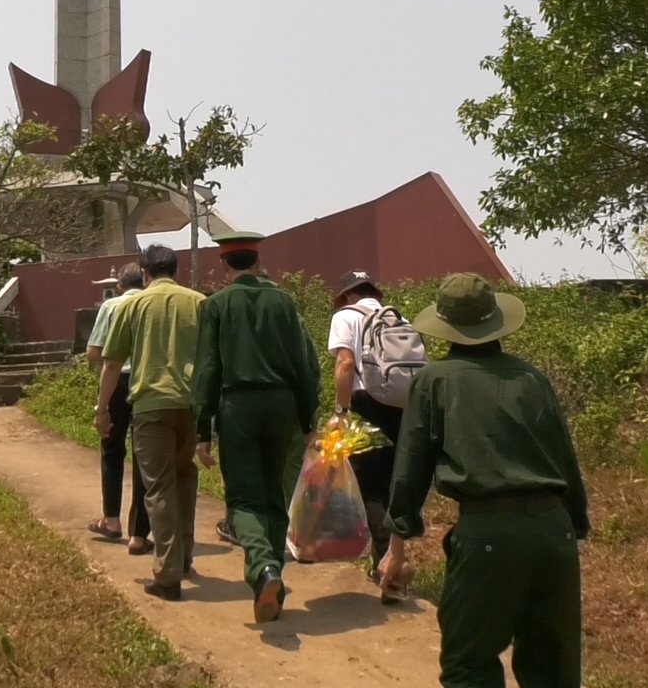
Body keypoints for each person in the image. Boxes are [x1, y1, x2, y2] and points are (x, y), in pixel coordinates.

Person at [381, 273, 591, 688]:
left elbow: (410, 468)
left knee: (469, 665)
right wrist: (574, 525)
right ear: (495, 320)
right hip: (554, 533)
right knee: (553, 671)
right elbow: (565, 459)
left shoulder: (435, 381)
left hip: (489, 534)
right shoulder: (531, 378)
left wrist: (396, 548)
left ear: (445, 326)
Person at [192, 230, 321, 623]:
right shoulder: (284, 302)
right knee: (273, 494)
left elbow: (208, 370)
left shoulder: (215, 306)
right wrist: (308, 418)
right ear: (258, 261)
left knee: (245, 499)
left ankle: (263, 568)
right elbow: (304, 365)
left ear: (224, 264)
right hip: (282, 405)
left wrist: (202, 429)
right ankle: (274, 578)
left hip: (239, 407)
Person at [96, 244, 205, 601]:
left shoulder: (133, 304)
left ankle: (168, 574)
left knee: (157, 488)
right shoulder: (199, 302)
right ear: (175, 269)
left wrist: (102, 409)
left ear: (144, 272)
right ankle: (185, 557)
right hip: (190, 405)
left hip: (151, 406)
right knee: (185, 478)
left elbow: (112, 363)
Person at [327, 269, 412, 602]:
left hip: (368, 405)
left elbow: (346, 364)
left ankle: (387, 568)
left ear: (347, 295)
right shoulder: (396, 316)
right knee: (393, 485)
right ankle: (395, 556)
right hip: (403, 407)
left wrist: (340, 412)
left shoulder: (345, 317)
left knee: (369, 489)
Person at [84, 263, 151, 554]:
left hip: (117, 383)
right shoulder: (151, 304)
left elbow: (94, 352)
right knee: (143, 456)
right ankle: (139, 533)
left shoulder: (112, 305)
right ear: (146, 281)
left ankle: (111, 519)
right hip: (148, 383)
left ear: (120, 285)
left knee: (112, 449)